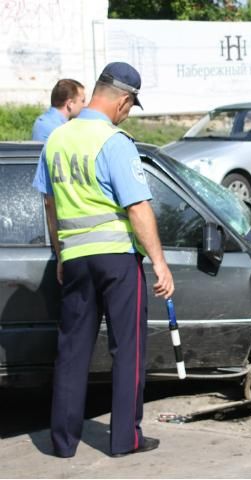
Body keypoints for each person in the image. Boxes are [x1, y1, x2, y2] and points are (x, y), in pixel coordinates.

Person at [32, 62, 174, 457]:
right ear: (124, 101)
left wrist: (61, 254)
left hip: (75, 258)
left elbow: (49, 204)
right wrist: (159, 263)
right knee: (126, 348)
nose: (127, 113)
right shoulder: (113, 142)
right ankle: (125, 439)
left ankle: (62, 443)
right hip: (116, 260)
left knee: (72, 349)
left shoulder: (56, 140)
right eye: (130, 107)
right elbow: (138, 208)